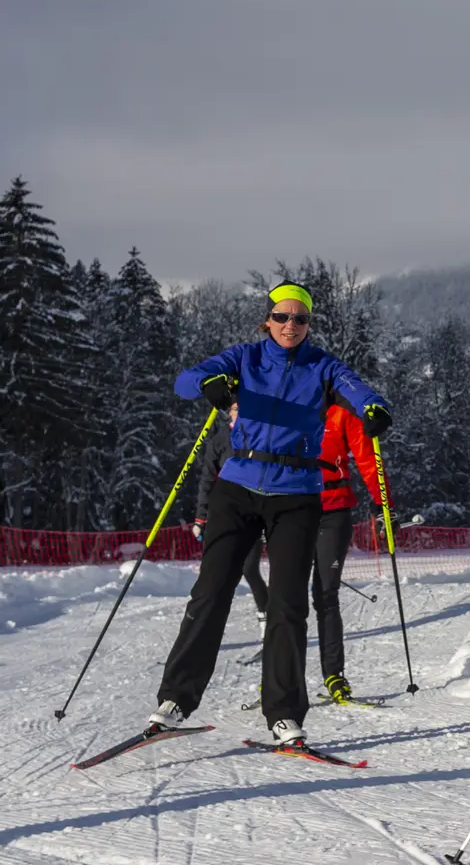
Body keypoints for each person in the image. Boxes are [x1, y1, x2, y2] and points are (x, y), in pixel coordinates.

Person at [146, 283, 391, 752]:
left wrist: (373, 408)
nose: (290, 326)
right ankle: (176, 700)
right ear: (267, 319)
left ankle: (283, 716)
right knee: (210, 592)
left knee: (288, 605)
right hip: (237, 487)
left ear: (308, 325)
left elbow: (357, 389)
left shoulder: (322, 366)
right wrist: (208, 383)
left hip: (297, 494)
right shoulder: (244, 357)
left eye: (299, 319)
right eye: (281, 317)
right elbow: (185, 380)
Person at [313, 400, 384, 704]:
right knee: (284, 598)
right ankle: (278, 678)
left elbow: (367, 457)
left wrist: (383, 503)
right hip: (290, 511)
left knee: (326, 594)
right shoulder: (285, 401)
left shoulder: (341, 412)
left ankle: (334, 675)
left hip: (334, 510)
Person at [191, 403, 269, 639]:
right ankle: (200, 632)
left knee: (249, 569)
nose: (239, 412)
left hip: (257, 513)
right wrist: (200, 517)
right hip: (225, 514)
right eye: (235, 408)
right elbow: (207, 480)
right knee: (214, 573)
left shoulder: (262, 435)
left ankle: (268, 627)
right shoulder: (220, 440)